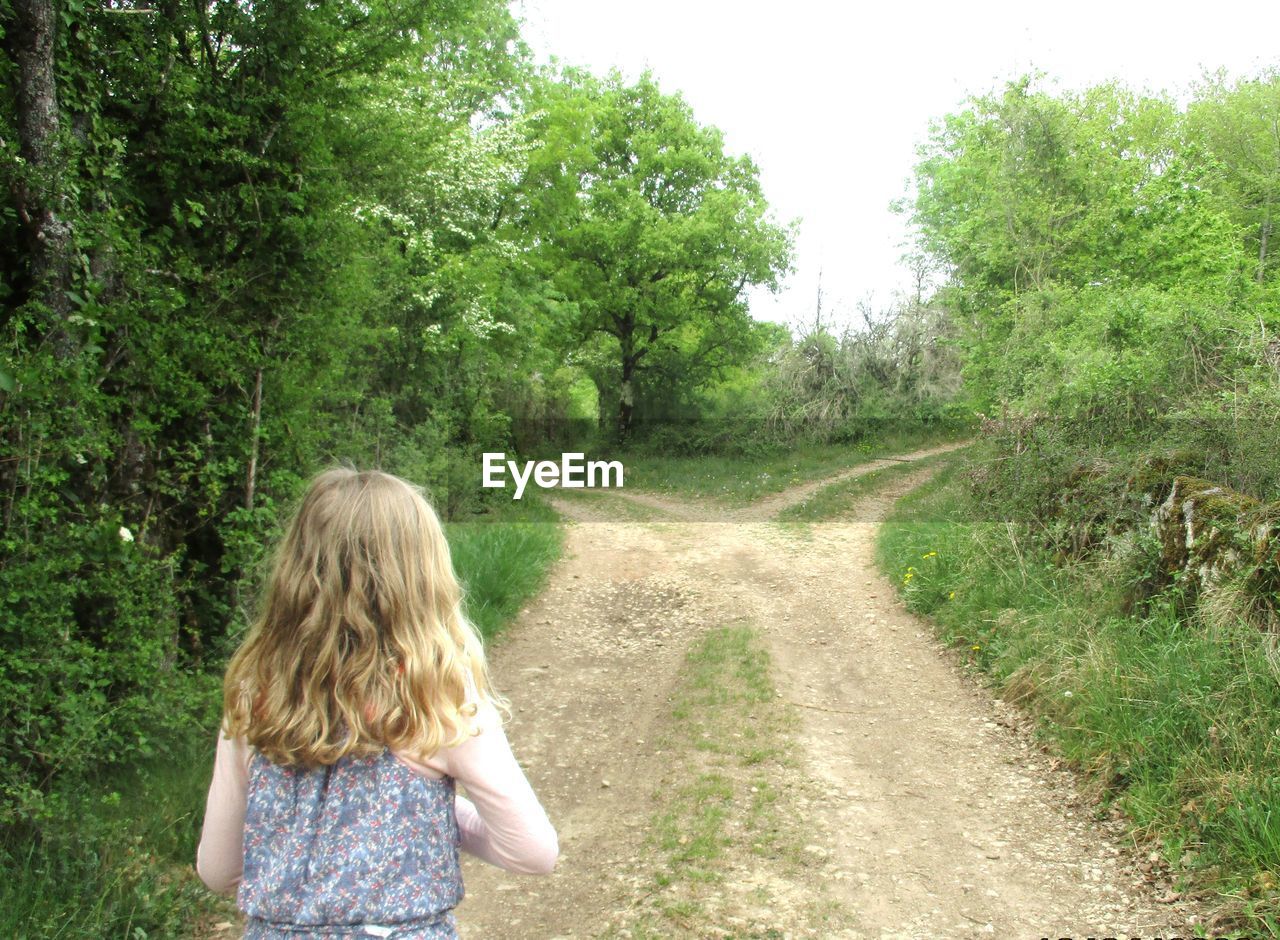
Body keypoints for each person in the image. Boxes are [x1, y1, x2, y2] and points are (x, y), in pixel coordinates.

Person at [196, 467, 558, 939]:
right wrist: (442, 817)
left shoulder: (256, 696)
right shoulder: (434, 698)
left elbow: (217, 870)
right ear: (422, 577)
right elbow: (532, 852)